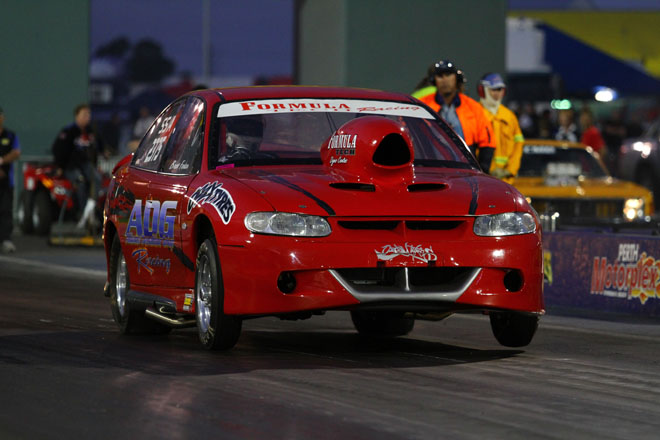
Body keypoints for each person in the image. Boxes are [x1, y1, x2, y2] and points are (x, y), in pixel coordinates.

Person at [412, 59, 495, 171]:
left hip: (466, 169)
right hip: (431, 168)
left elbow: (487, 141)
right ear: (434, 80)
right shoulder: (423, 106)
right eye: (440, 76)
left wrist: (482, 171)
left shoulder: (473, 107)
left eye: (448, 75)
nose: (445, 80)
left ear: (456, 78)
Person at [52, 104, 104, 229]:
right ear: (77, 116)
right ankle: (82, 212)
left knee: (97, 178)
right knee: (80, 182)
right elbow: (58, 149)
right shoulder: (68, 131)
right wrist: (60, 166)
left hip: (86, 164)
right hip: (70, 166)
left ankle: (90, 208)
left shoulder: (91, 131)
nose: (87, 117)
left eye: (88, 114)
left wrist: (104, 152)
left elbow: (100, 146)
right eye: (84, 114)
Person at [477, 73, 524, 183]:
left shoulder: (509, 116)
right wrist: (489, 169)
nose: (497, 93)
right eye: (493, 89)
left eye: (500, 89)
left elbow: (518, 145)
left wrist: (510, 170)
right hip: (483, 179)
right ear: (483, 91)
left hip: (507, 179)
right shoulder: (475, 113)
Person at [0, 106, 21, 252]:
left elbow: (16, 152)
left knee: (6, 210)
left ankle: (6, 239)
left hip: (7, 181)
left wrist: (2, 161)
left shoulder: (10, 135)